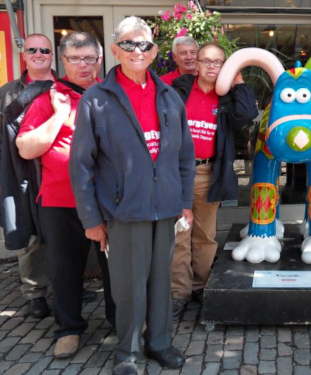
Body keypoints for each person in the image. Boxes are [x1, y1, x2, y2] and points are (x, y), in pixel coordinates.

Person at [69, 17, 195, 375]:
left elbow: (184, 157)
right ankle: (127, 352)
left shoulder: (170, 96)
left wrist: (184, 203)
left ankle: (160, 342)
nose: (136, 51)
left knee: (160, 284)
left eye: (143, 45)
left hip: (166, 208)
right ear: (115, 50)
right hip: (125, 211)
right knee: (128, 289)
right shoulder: (97, 99)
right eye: (128, 44)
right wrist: (92, 220)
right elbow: (81, 166)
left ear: (154, 52)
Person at [16, 31, 116, 358]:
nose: (83, 65)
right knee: (64, 269)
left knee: (116, 266)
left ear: (100, 59)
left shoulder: (111, 95)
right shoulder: (48, 98)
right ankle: (68, 329)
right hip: (60, 200)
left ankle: (121, 321)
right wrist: (59, 116)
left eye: (89, 58)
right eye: (75, 58)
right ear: (64, 61)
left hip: (106, 200)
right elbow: (26, 148)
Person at [170, 43, 258, 317]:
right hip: (177, 174)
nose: (211, 66)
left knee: (205, 236)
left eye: (218, 62)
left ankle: (201, 286)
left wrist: (238, 80)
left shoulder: (227, 98)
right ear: (195, 64)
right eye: (206, 61)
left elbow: (247, 115)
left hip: (210, 172)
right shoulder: (179, 89)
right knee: (179, 236)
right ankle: (178, 294)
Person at [0, 33, 55, 319]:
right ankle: (35, 293)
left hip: (57, 172)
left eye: (45, 50)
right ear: (24, 55)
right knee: (29, 236)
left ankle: (66, 286)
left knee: (63, 234)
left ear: (53, 55)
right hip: (21, 172)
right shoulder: (8, 92)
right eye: (33, 50)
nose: (39, 53)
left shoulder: (66, 86)